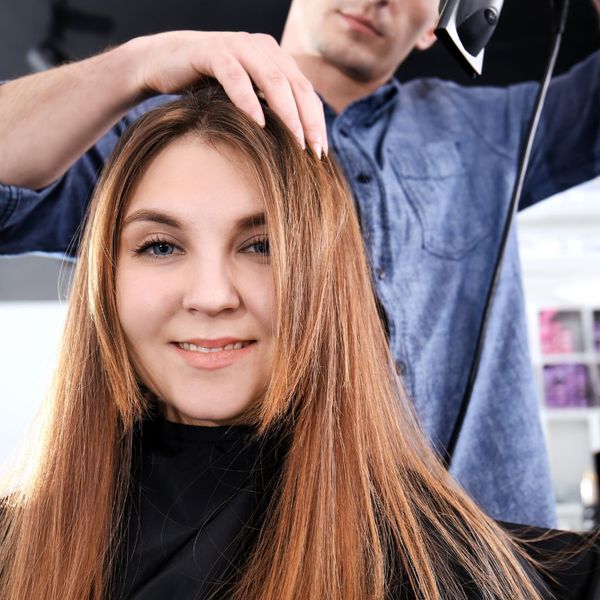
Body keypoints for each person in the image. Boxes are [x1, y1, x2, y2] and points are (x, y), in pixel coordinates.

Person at [1, 0, 600, 528]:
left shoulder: (487, 134)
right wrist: (133, 65)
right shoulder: (167, 139)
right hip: (265, 550)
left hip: (490, 546)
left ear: (443, 20)